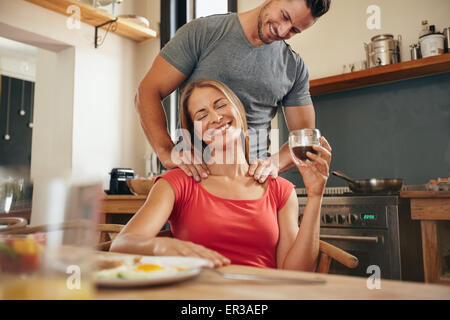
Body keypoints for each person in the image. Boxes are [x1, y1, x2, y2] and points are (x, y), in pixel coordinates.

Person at [111, 79, 332, 271]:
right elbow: (122, 244)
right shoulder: (176, 183)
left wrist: (315, 195)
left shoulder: (280, 190)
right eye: (202, 114)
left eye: (221, 105)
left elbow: (294, 272)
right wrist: (161, 246)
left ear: (238, 111)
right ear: (195, 132)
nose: (216, 117)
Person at [135, 0, 331, 184]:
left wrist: (274, 163)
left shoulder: (293, 67)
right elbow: (147, 92)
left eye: (294, 30)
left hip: (253, 186)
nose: (282, 30)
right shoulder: (203, 32)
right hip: (193, 180)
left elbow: (304, 138)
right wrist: (166, 152)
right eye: (285, 17)